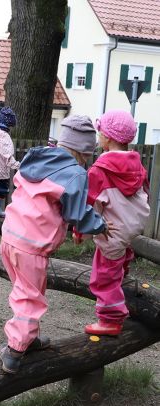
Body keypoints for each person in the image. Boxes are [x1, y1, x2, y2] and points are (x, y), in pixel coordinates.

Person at [0, 115, 113, 374]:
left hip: (9, 236)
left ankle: (29, 338)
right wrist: (100, 225)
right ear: (82, 152)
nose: (86, 161)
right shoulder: (75, 173)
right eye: (87, 156)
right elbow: (77, 214)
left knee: (24, 290)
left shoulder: (36, 159)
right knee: (29, 297)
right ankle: (15, 351)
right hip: (32, 246)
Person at [74, 110, 150, 336]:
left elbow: (87, 204)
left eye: (100, 133)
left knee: (102, 276)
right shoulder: (138, 166)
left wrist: (80, 231)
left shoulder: (100, 170)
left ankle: (111, 319)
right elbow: (145, 193)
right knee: (119, 252)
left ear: (107, 138)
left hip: (112, 231)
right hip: (133, 226)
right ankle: (122, 271)